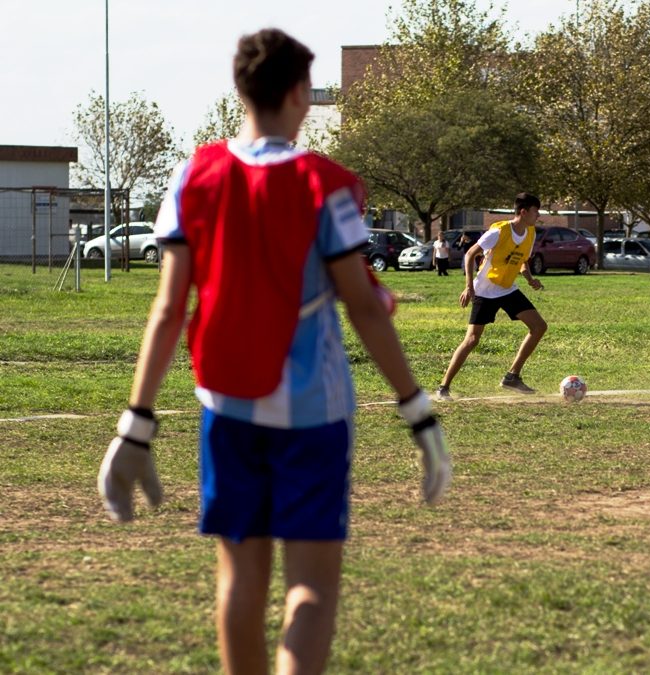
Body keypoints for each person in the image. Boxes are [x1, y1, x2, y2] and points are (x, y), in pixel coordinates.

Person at [96, 28, 451, 674]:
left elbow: (170, 309)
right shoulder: (325, 186)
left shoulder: (190, 177)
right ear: (297, 96)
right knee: (310, 588)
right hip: (312, 416)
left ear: (240, 90)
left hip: (225, 407)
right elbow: (365, 305)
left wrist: (136, 422)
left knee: (237, 584)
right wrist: (417, 411)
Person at [435, 193, 547, 400]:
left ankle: (512, 377)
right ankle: (443, 387)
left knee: (539, 326)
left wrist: (530, 279)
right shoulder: (499, 231)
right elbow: (470, 254)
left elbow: (522, 260)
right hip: (485, 291)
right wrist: (469, 287)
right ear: (523, 212)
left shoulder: (530, 233)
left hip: (507, 289)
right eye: (535, 211)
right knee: (472, 340)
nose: (538, 215)